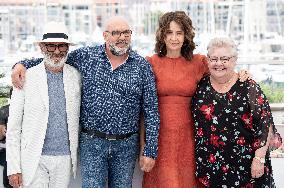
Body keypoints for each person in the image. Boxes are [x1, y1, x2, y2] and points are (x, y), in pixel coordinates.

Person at [11, 16, 160, 188]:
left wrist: (150, 150)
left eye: (126, 32)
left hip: (126, 146)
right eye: (116, 33)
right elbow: (54, 59)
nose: (122, 37)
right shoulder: (87, 56)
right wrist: (21, 64)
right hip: (91, 143)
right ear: (105, 35)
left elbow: (151, 111)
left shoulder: (142, 66)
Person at [140, 11, 250, 188]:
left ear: (186, 36)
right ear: (162, 35)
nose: (174, 38)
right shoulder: (150, 63)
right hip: (159, 138)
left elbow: (222, 72)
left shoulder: (199, 62)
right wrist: (145, 146)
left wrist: (241, 74)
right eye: (169, 32)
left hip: (190, 137)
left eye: (179, 33)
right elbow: (144, 110)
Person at [191, 37, 282, 187]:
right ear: (208, 61)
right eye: (214, 59)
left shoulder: (248, 86)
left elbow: (265, 125)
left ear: (234, 60)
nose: (219, 63)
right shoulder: (201, 86)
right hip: (211, 167)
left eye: (224, 59)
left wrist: (259, 159)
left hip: (247, 167)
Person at [6, 21, 81, 188]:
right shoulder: (25, 77)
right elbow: (13, 128)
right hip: (33, 158)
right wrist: (13, 167)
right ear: (41, 47)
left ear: (67, 48)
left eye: (61, 46)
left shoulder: (76, 76)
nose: (56, 51)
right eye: (50, 46)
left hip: (64, 158)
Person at [0, 88, 13, 188]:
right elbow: (1, 133)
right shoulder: (4, 110)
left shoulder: (29, 111)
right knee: (9, 159)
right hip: (5, 148)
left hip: (24, 147)